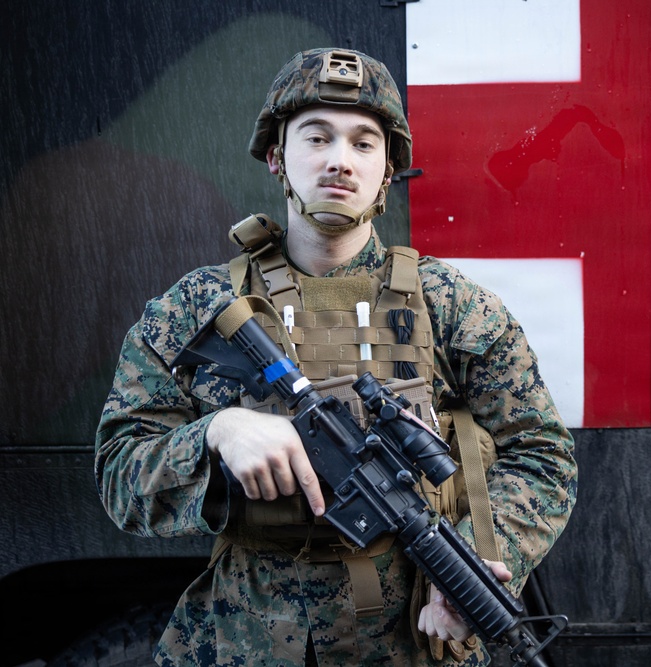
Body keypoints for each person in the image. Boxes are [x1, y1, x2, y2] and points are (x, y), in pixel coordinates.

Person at [95, 47, 577, 666]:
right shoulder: (200, 305)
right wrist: (217, 434)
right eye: (317, 137)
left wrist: (475, 561)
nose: (339, 161)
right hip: (245, 639)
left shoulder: (450, 304)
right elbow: (120, 475)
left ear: (388, 169)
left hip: (410, 641)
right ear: (277, 156)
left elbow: (541, 454)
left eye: (363, 143)